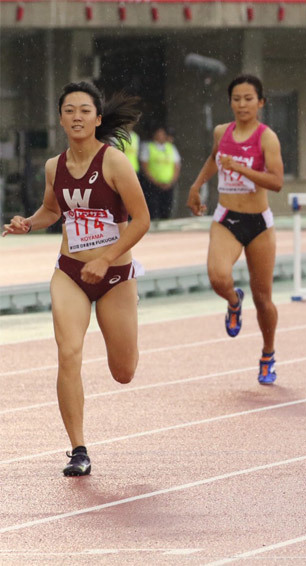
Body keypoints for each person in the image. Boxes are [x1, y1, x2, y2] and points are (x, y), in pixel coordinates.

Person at [2, 82, 149, 476]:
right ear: (61, 118)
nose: (77, 117)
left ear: (98, 119)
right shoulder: (55, 166)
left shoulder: (114, 162)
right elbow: (52, 210)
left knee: (124, 372)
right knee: (68, 353)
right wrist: (28, 224)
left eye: (85, 110)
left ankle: (128, 320)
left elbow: (142, 220)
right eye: (70, 110)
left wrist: (106, 258)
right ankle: (78, 449)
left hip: (115, 274)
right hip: (70, 272)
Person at [186, 74, 284, 384]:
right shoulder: (221, 132)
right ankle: (232, 300)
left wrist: (242, 167)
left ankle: (268, 354)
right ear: (230, 102)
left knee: (264, 298)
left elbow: (277, 182)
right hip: (226, 217)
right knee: (218, 277)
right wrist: (197, 185)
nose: (242, 104)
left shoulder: (266, 137)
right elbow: (215, 159)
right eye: (237, 98)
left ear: (260, 103)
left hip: (258, 223)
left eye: (248, 99)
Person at [140, 125, 181, 219]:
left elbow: (176, 166)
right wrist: (155, 182)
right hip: (153, 184)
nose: (161, 136)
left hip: (168, 184)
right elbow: (144, 167)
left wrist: (172, 181)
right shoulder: (148, 146)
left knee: (167, 207)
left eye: (163, 134)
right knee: (153, 206)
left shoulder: (170, 147)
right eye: (159, 134)